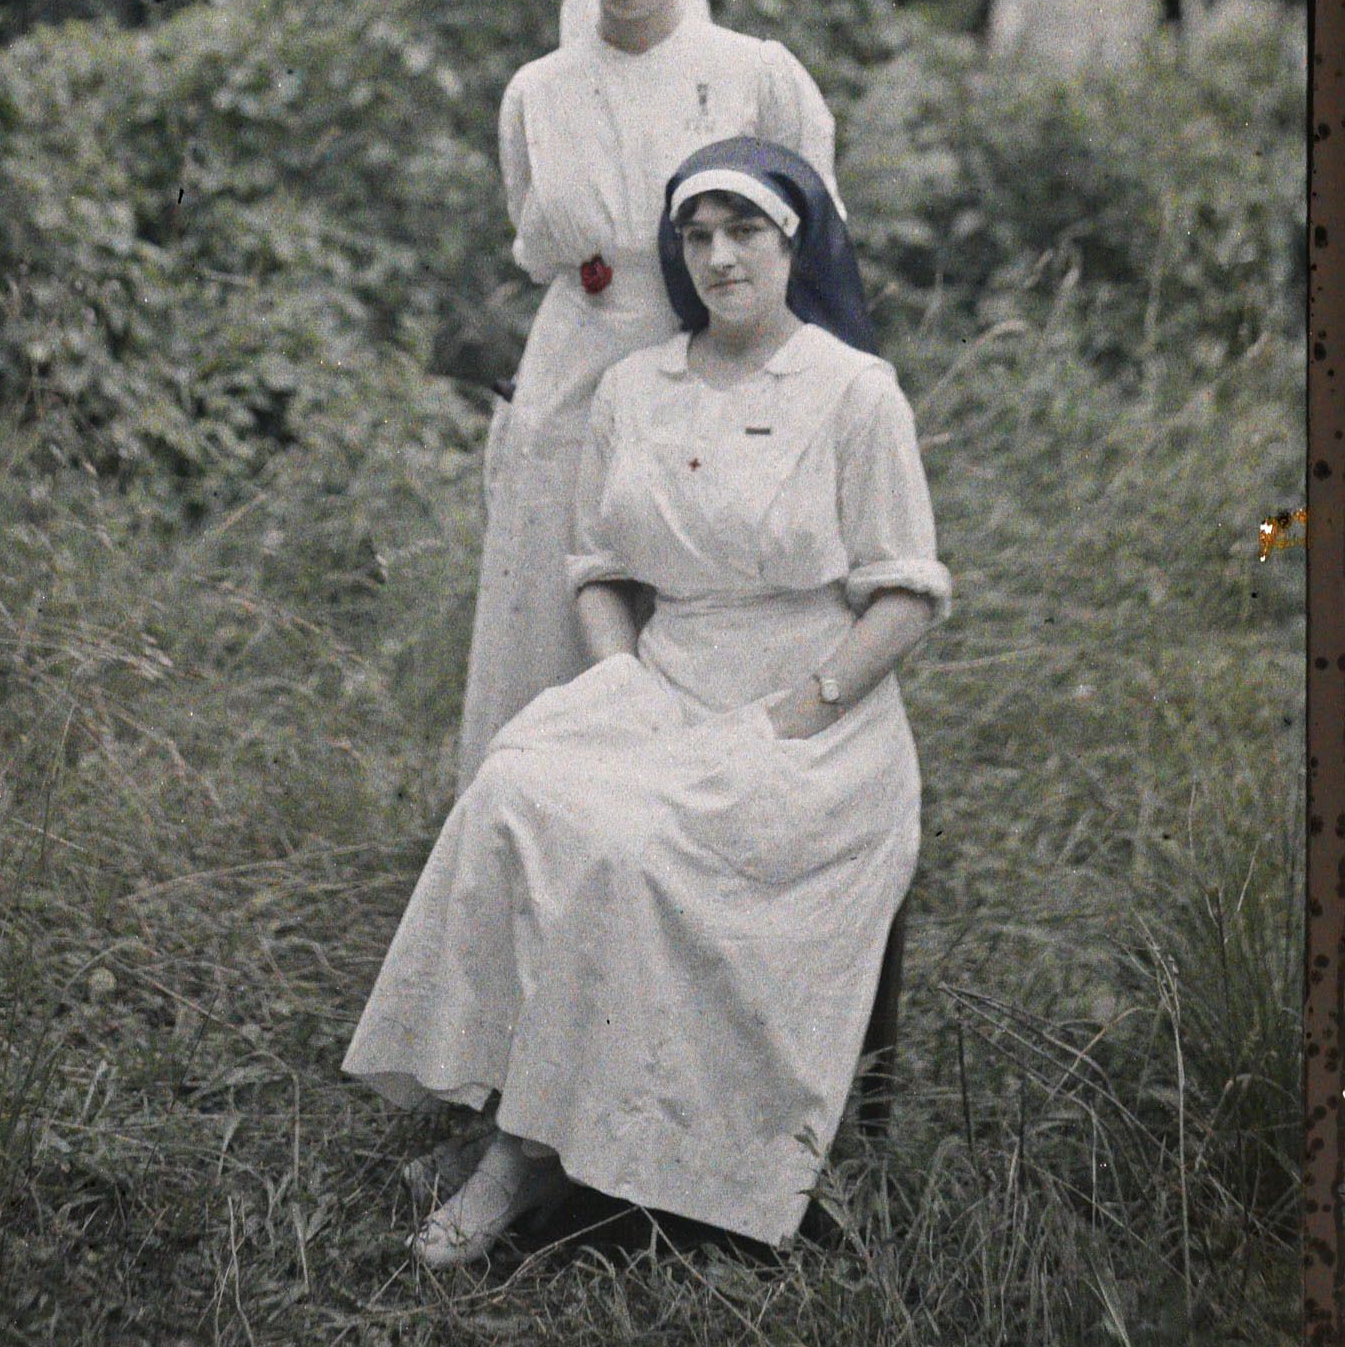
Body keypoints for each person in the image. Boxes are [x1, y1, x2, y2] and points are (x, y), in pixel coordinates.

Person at [343, 138, 948, 1267]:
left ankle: (528, 1156)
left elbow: (906, 596)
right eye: (696, 234)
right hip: (663, 679)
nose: (719, 256)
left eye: (745, 231)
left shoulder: (854, 391)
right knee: (518, 788)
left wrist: (799, 712)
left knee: (626, 846)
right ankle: (520, 1107)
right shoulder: (638, 385)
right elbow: (598, 566)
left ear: (794, 241)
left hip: (812, 718)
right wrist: (619, 675)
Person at [454, 0, 869, 793]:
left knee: (710, 588)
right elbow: (535, 235)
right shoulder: (537, 92)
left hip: (719, 359)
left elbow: (814, 236)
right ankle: (548, 821)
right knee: (563, 597)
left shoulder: (753, 74)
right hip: (578, 362)